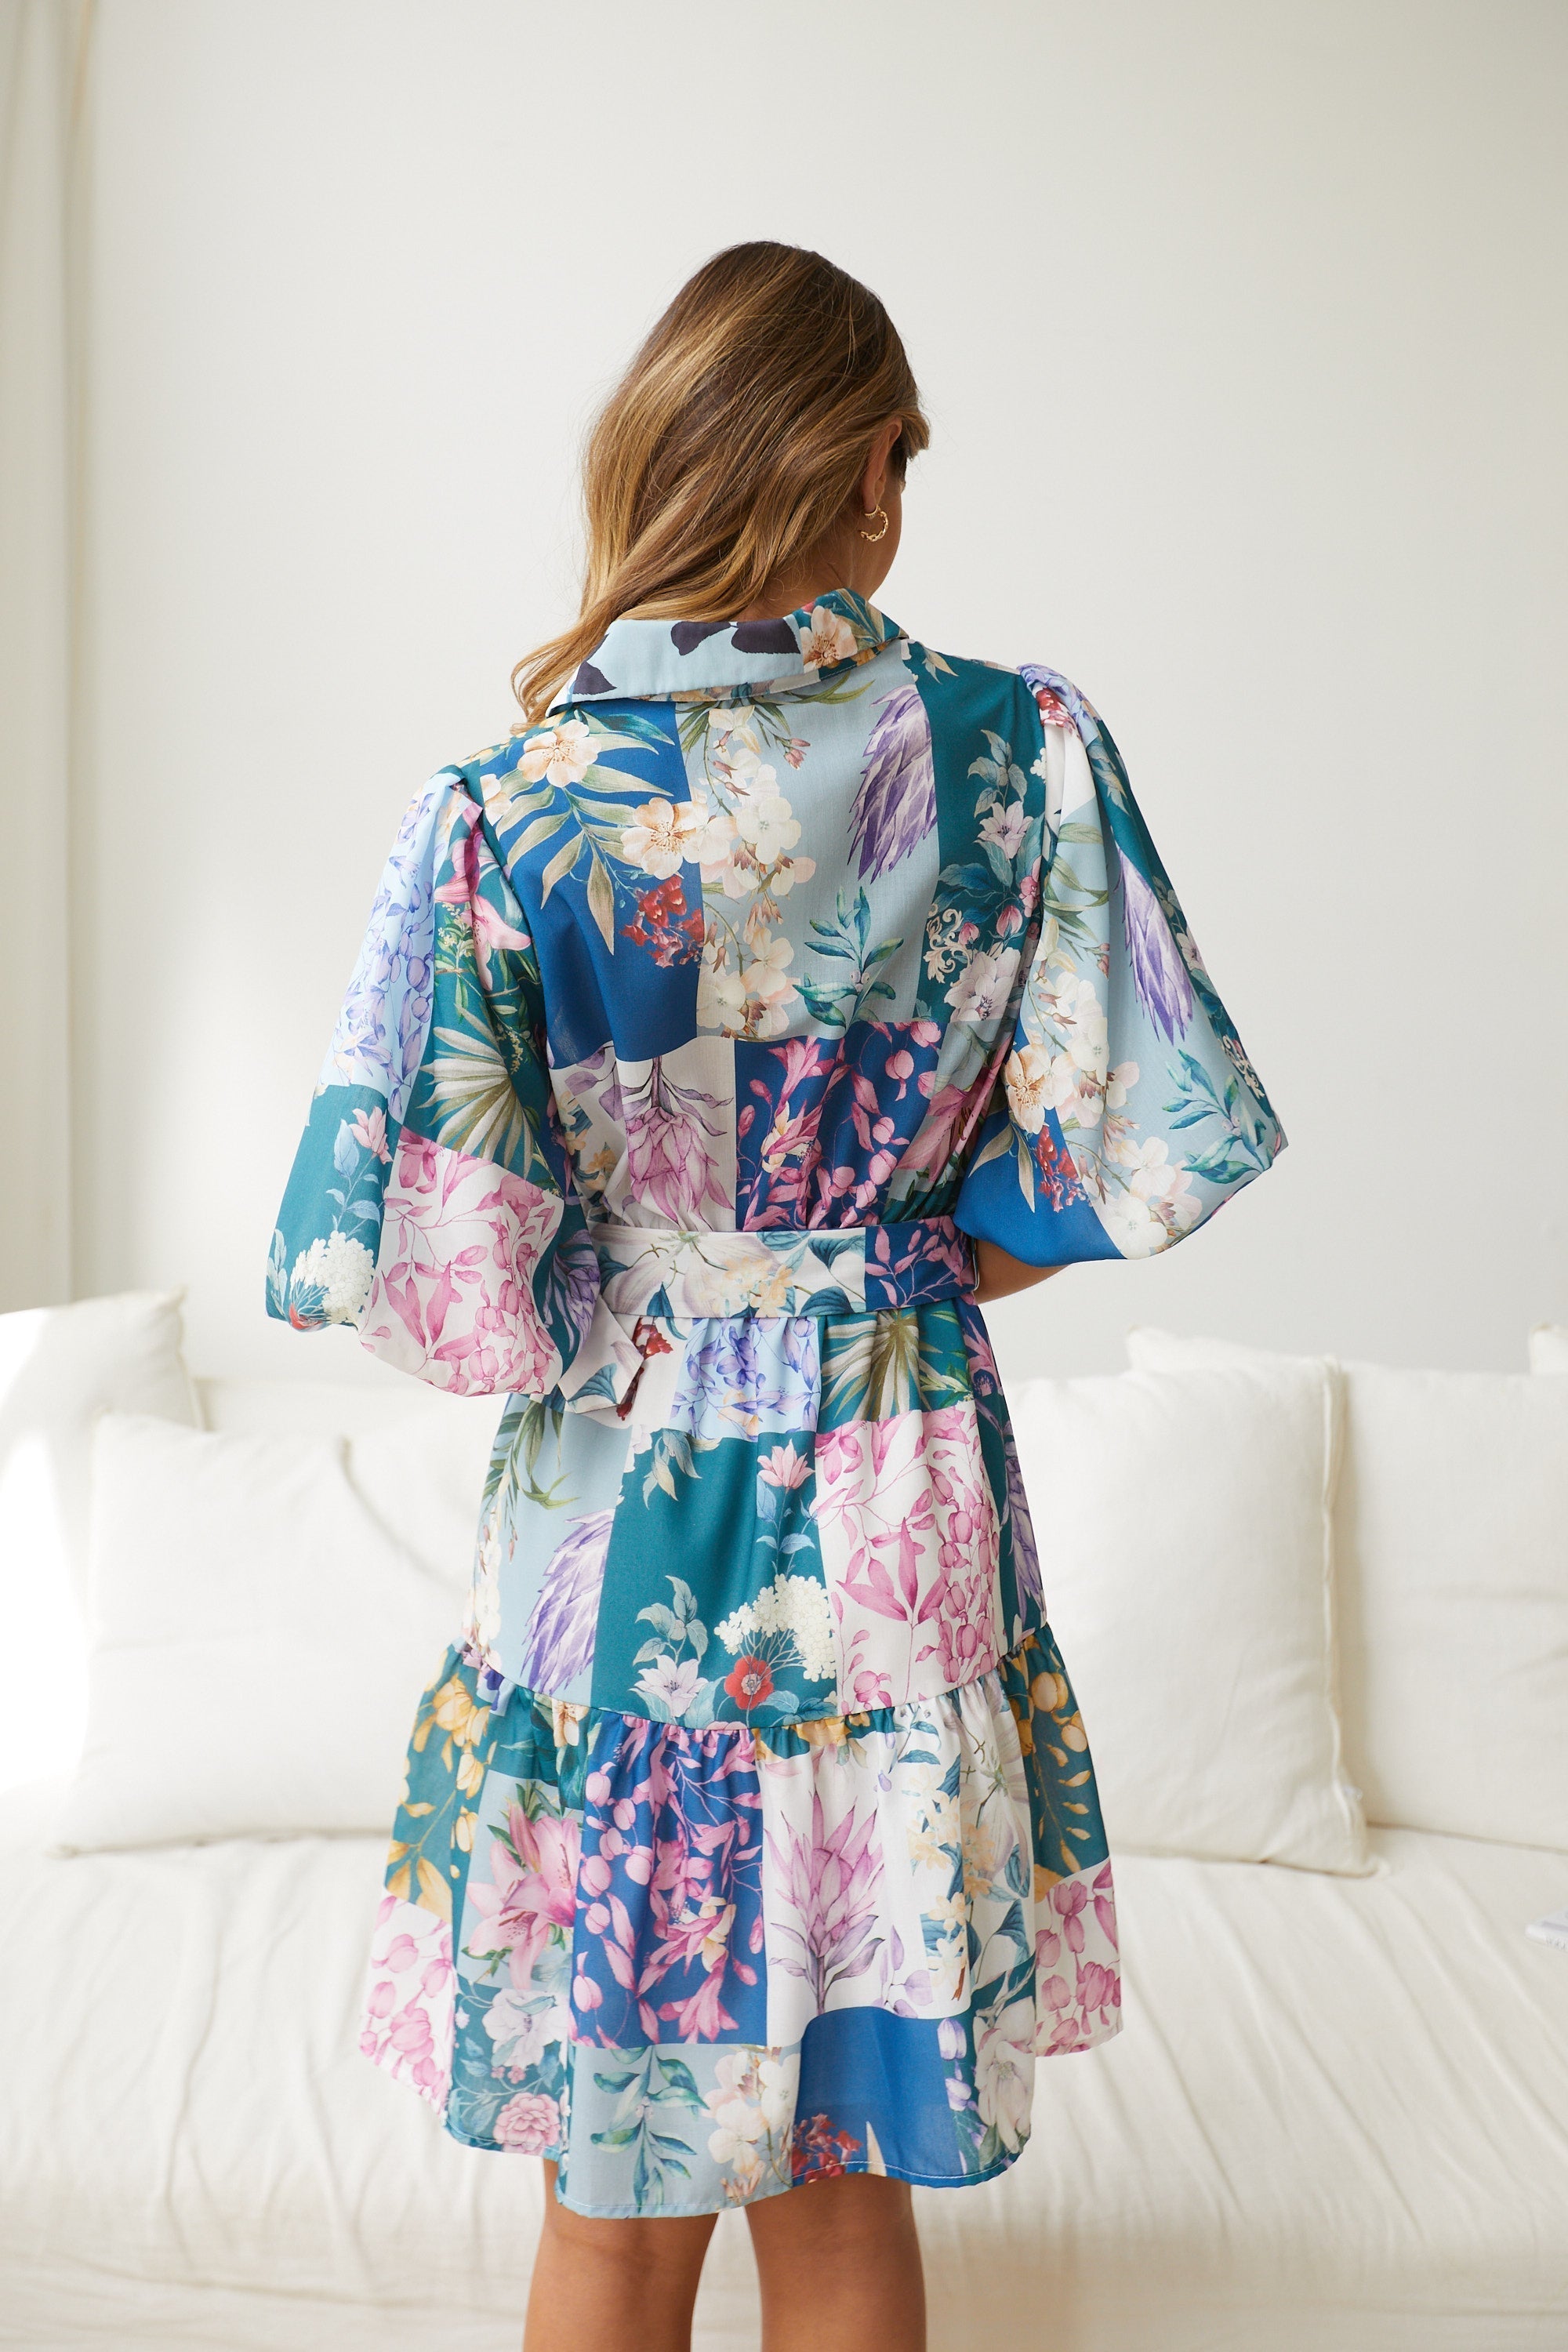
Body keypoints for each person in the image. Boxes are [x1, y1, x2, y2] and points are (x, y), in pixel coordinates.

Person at [269, 239, 1284, 2352]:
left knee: (616, 2201)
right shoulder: (1016, 755)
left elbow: (447, 1276)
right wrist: (882, 1268)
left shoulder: (509, 811)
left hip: (619, 1514)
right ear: (866, 471)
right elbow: (1147, 1133)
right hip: (896, 1488)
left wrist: (656, 1309)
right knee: (840, 2184)